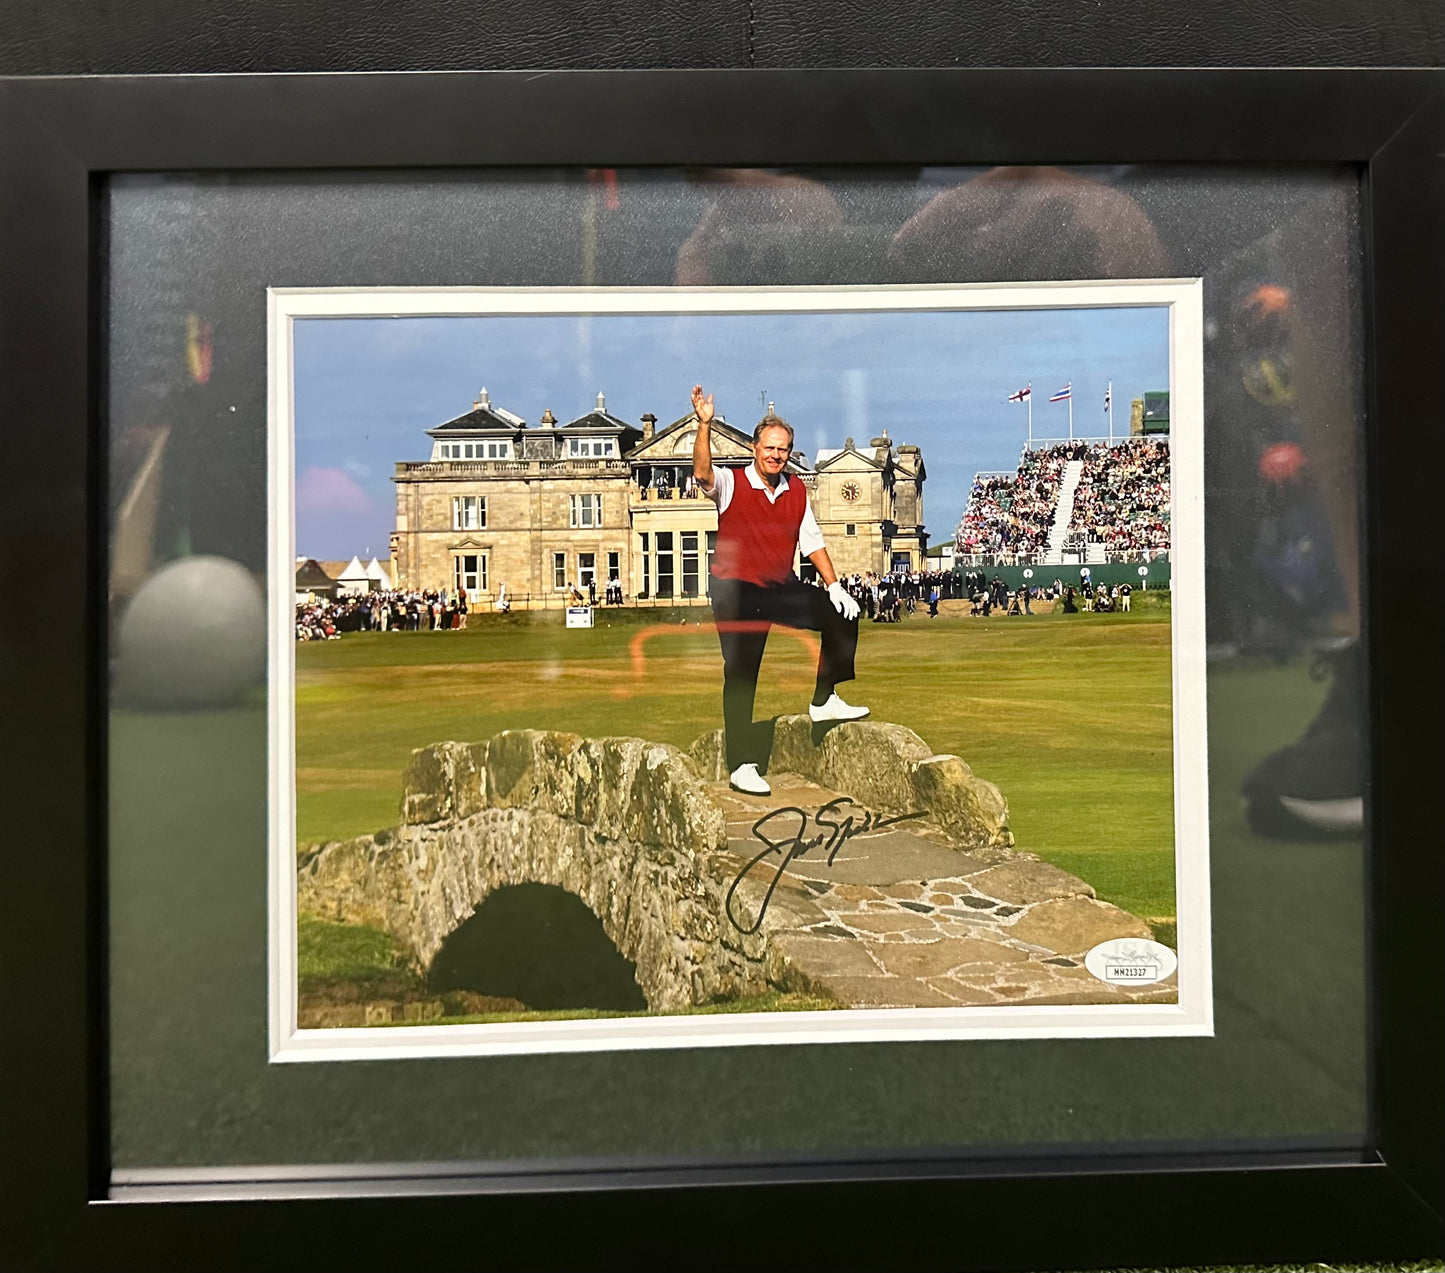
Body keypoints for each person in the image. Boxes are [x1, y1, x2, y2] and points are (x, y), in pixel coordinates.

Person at [692, 384, 866, 796]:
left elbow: (812, 539)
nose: (776, 455)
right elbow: (702, 474)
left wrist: (835, 586)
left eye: (783, 449)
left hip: (777, 584)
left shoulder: (797, 489)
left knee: (841, 615)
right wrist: (704, 425)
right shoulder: (732, 483)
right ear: (755, 448)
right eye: (769, 448)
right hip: (735, 589)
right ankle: (740, 764)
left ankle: (824, 699)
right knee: (741, 671)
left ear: (790, 452)